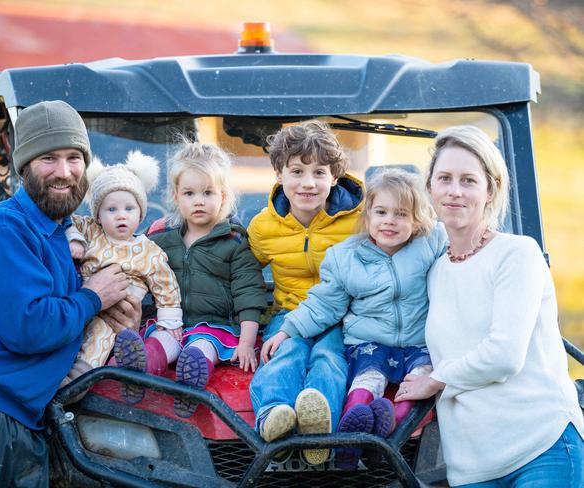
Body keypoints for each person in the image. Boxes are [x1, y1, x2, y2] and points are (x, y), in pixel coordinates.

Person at [0, 100, 141, 486]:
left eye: (74, 158)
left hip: (24, 417)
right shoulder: (4, 230)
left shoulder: (63, 236)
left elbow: (66, 316)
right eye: (48, 158)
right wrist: (93, 297)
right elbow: (30, 325)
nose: (64, 172)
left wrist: (120, 316)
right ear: (24, 165)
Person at [395, 125, 584, 487]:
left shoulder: (517, 254)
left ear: (490, 189)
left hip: (540, 449)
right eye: (445, 178)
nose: (454, 191)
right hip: (472, 467)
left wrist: (434, 380)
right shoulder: (435, 273)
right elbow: (453, 350)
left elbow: (503, 355)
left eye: (468, 180)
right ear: (430, 188)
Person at [262, 168, 445, 469]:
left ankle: (390, 432)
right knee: (367, 380)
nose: (389, 221)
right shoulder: (346, 258)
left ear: (418, 220)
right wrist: (287, 330)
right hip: (370, 342)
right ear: (367, 216)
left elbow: (466, 248)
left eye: (401, 214)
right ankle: (349, 438)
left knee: (418, 383)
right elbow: (324, 303)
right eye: (381, 212)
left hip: (419, 342)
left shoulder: (431, 242)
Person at [115, 141, 266, 418]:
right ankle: (138, 371)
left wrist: (246, 343)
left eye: (208, 192)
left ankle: (189, 386)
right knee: (159, 342)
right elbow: (134, 268)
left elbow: (249, 294)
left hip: (216, 328)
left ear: (223, 196)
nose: (199, 200)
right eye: (189, 193)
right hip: (172, 324)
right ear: (175, 196)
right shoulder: (160, 238)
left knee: (200, 349)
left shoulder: (233, 241)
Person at [248, 120, 365, 465]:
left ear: (335, 177)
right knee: (286, 352)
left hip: (343, 316)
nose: (308, 183)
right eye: (296, 171)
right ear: (279, 175)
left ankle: (319, 428)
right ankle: (274, 415)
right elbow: (241, 274)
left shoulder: (360, 220)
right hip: (288, 312)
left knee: (329, 357)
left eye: (319, 172)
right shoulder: (263, 227)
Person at [64, 151, 183, 403]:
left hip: (119, 311)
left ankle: (78, 380)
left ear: (140, 215)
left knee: (99, 338)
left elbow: (166, 285)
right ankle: (57, 371)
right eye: (111, 209)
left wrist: (168, 323)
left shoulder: (148, 251)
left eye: (129, 208)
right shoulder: (91, 231)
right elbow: (64, 220)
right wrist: (74, 239)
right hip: (82, 300)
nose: (121, 215)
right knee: (69, 333)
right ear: (97, 215)